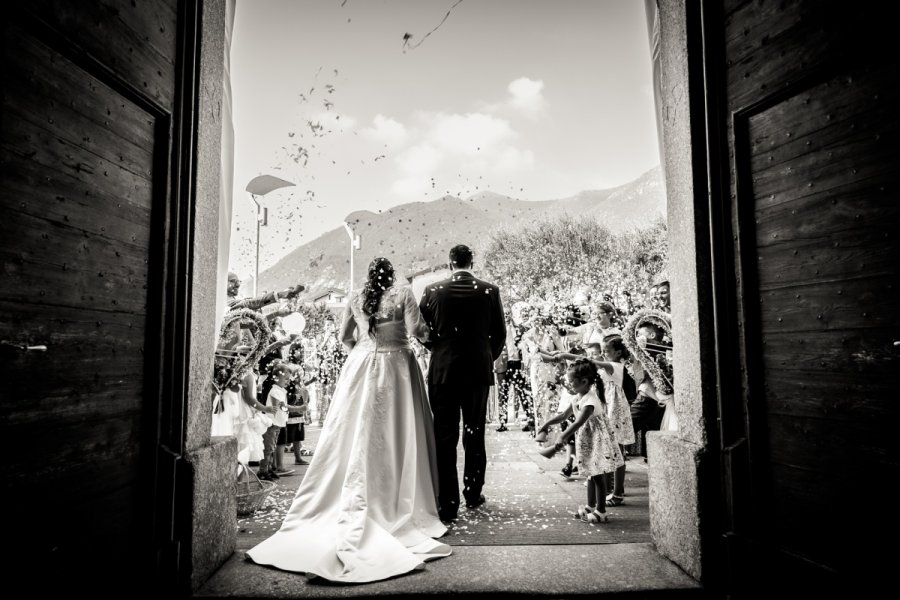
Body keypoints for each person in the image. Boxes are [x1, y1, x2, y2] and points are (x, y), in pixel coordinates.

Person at [246, 257, 450, 583]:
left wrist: (364, 351)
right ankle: (397, 496)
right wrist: (432, 338)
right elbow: (417, 330)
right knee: (398, 432)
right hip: (397, 367)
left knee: (353, 431)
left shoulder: (356, 296)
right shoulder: (404, 293)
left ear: (370, 276)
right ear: (392, 275)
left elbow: (345, 336)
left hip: (361, 366)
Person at [419, 244, 506, 522]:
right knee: (474, 432)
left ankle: (448, 502)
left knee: (444, 436)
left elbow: (421, 330)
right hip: (477, 373)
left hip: (443, 373)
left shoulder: (433, 291)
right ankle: (472, 492)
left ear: (450, 262)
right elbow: (500, 334)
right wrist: (483, 357)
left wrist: (438, 349)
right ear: (472, 261)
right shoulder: (490, 291)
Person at [536, 359, 623, 524]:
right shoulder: (578, 397)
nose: (568, 385)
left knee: (597, 475)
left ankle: (601, 511)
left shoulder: (590, 401)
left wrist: (563, 436)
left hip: (597, 440)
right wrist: (546, 425)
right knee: (590, 474)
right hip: (588, 439)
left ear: (584, 382)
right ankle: (591, 506)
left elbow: (578, 422)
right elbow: (564, 416)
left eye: (571, 382)